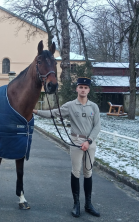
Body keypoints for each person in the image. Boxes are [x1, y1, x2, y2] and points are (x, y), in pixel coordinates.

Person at [33, 77, 101, 218]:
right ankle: (76, 204)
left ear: (89, 90)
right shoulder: (70, 106)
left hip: (90, 143)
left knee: (88, 172)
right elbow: (53, 113)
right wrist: (36, 111)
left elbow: (97, 126)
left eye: (85, 87)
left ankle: (88, 204)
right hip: (76, 141)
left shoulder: (93, 107)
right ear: (76, 89)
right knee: (76, 171)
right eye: (80, 87)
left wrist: (88, 141)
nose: (83, 90)